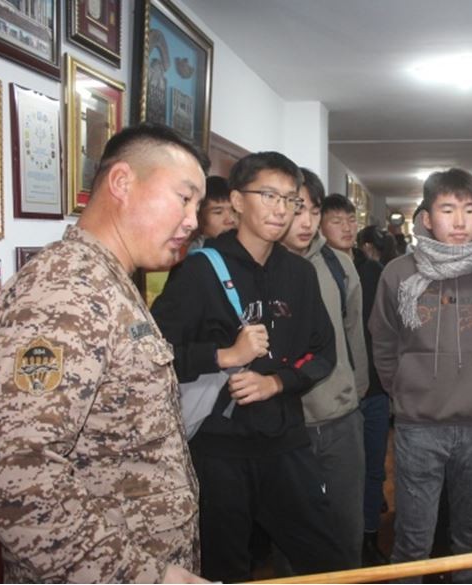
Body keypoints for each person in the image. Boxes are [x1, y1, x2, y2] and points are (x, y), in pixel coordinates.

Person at [0, 123, 209, 583]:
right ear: (122, 182)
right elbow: (6, 468)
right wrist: (142, 575)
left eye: (198, 206)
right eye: (184, 198)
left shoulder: (108, 281)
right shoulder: (67, 287)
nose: (194, 220)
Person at [150, 152, 347, 582]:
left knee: (327, 559)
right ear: (238, 201)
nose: (281, 209)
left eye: (290, 199)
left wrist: (277, 383)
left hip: (285, 441)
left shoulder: (299, 273)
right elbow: (155, 355)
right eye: (269, 195)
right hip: (218, 449)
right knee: (224, 566)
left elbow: (324, 352)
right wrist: (225, 356)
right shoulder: (198, 271)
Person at [369, 168, 472, 583]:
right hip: (418, 427)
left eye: (468, 210)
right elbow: (383, 343)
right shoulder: (398, 273)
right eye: (447, 209)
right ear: (427, 217)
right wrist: (405, 390)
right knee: (412, 540)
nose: (459, 221)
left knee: (471, 537)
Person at [281, 170, 368, 569]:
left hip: (340, 418)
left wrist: (356, 391)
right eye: (297, 209)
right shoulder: (261, 265)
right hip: (286, 424)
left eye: (314, 212)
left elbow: (354, 334)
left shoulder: (338, 265)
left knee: (346, 527)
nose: (306, 222)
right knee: (290, 534)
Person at [353, 225, 398, 565]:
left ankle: (369, 536)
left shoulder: (377, 274)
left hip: (376, 388)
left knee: (373, 468)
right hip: (338, 392)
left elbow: (391, 331)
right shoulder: (312, 270)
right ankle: (348, 540)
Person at [187, 175, 237, 250]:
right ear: (199, 217)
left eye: (234, 210)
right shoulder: (197, 253)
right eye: (218, 212)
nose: (230, 220)